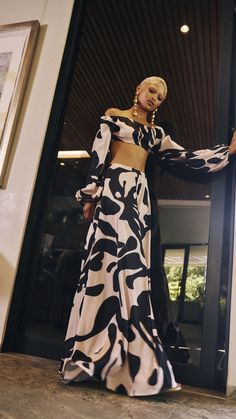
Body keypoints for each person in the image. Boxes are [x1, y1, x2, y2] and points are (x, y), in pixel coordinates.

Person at [59, 76, 236, 397]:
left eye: (161, 96)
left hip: (138, 196)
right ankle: (86, 357)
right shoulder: (113, 115)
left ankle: (130, 360)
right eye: (152, 90)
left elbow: (185, 157)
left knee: (131, 271)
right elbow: (99, 154)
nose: (155, 97)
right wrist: (90, 195)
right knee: (99, 269)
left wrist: (226, 152)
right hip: (112, 190)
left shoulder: (156, 135)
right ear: (139, 88)